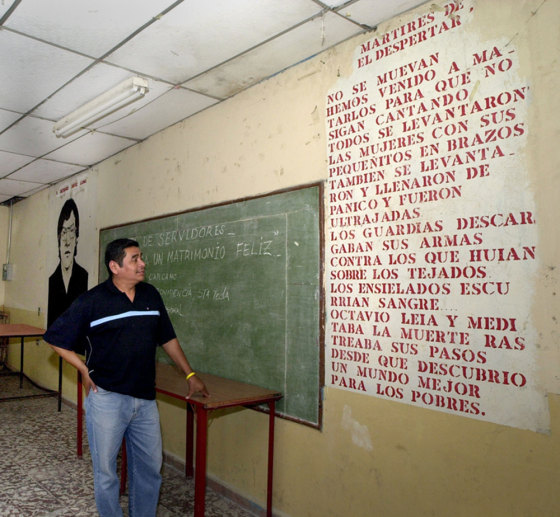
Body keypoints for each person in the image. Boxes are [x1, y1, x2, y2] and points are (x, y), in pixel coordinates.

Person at [44, 238, 209, 517]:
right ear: (115, 266)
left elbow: (167, 338)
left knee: (149, 469)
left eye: (141, 257)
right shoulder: (92, 301)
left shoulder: (150, 295)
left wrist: (190, 374)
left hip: (145, 400)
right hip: (107, 398)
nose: (142, 263)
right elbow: (55, 339)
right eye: (134, 259)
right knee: (106, 472)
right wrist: (83, 369)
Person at [48, 198, 88, 328]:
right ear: (58, 240)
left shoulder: (83, 276)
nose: (66, 241)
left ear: (77, 238)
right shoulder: (53, 280)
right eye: (63, 232)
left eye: (71, 232)